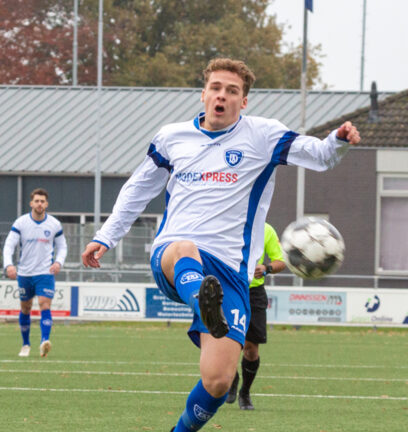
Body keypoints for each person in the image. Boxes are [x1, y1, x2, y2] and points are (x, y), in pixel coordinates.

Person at [80, 58, 360, 432]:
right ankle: (202, 300)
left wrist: (338, 140)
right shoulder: (171, 138)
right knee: (184, 248)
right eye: (216, 88)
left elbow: (320, 155)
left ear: (244, 102)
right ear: (203, 94)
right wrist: (106, 236)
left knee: (218, 381)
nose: (222, 96)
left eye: (232, 91)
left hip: (231, 273)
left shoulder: (263, 136)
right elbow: (137, 190)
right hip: (175, 257)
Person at [226, 222, 285, 410]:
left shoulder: (266, 229)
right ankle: (232, 378)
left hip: (254, 293)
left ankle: (245, 392)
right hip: (229, 290)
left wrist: (267, 268)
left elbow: (281, 261)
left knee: (251, 348)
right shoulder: (228, 225)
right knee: (225, 342)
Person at [3, 188, 67, 358]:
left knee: (45, 304)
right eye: (37, 201)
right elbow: (9, 245)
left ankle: (44, 341)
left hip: (45, 272)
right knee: (26, 307)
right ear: (31, 203)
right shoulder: (21, 223)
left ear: (46, 204)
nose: (39, 204)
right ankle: (25, 344)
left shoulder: (54, 224)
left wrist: (59, 262)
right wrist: (8, 265)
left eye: (42, 201)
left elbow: (62, 246)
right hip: (24, 273)